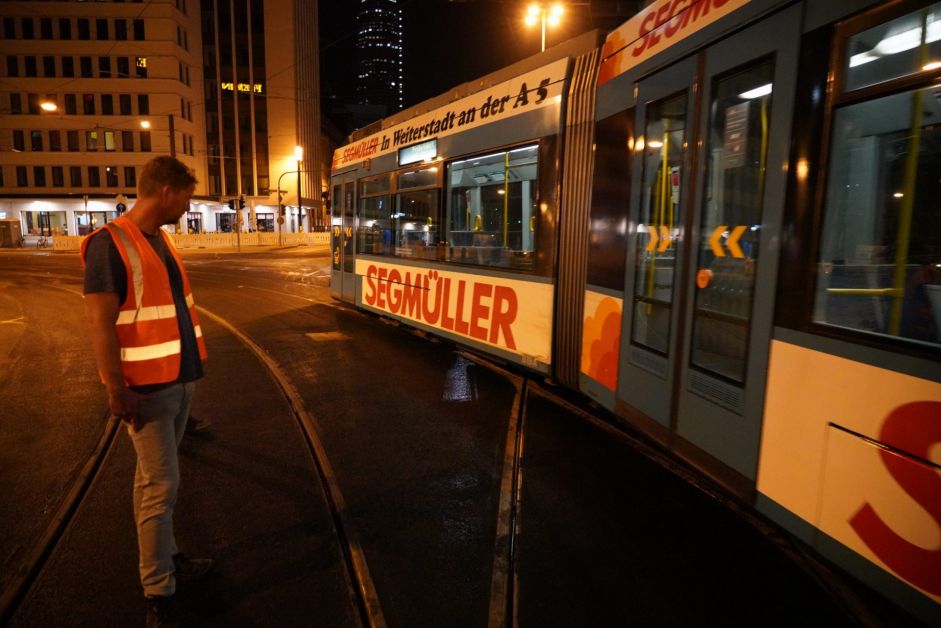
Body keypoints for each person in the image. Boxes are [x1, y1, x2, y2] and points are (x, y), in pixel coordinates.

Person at [82, 156, 214, 627]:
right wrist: (115, 388)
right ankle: (158, 588)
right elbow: (100, 323)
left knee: (154, 482)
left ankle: (167, 558)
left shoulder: (160, 240)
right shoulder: (108, 244)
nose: (188, 203)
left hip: (178, 381)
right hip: (146, 389)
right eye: (186, 195)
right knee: (162, 485)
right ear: (165, 192)